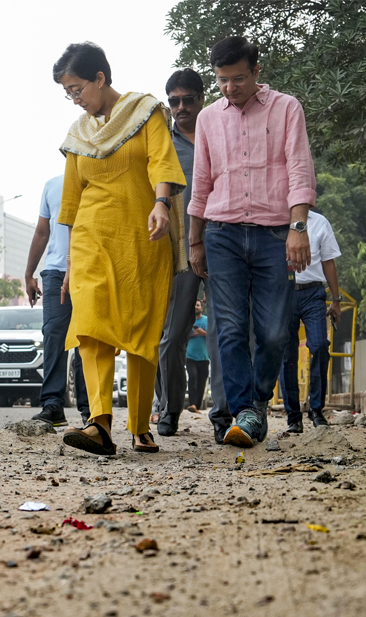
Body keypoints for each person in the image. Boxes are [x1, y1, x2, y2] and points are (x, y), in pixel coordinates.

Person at [53, 42, 188, 456]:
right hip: (92, 237)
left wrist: (162, 205)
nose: (75, 100)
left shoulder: (145, 111)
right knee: (90, 324)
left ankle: (140, 424)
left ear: (100, 78)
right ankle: (100, 423)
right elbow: (73, 200)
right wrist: (72, 264)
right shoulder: (78, 133)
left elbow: (161, 162)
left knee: (141, 329)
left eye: (78, 89)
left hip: (142, 234)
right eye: (67, 94)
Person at [188, 36, 316, 447]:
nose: (230, 88)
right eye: (222, 80)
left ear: (256, 72)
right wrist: (195, 242)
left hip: (275, 234)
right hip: (221, 233)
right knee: (229, 329)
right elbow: (201, 183)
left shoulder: (286, 108)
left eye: (238, 78)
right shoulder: (208, 119)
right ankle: (244, 410)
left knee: (276, 332)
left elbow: (299, 170)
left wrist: (298, 228)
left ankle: (255, 403)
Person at [152, 68, 206, 436]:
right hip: (182, 252)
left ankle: (234, 412)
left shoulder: (220, 132)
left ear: (202, 99)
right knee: (171, 336)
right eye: (174, 101)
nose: (181, 107)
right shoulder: (163, 145)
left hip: (226, 242)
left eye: (188, 99)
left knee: (230, 333)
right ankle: (170, 408)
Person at [24, 175, 90, 427]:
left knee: (86, 338)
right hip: (54, 271)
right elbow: (42, 231)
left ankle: (89, 409)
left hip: (90, 268)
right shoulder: (52, 185)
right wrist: (29, 273)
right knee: (54, 334)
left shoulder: (96, 179)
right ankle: (53, 404)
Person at [279, 209, 342, 432]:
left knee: (320, 346)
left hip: (313, 294)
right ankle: (293, 416)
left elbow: (329, 262)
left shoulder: (320, 222)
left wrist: (335, 299)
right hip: (283, 293)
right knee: (287, 355)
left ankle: (316, 409)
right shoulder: (276, 219)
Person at [186, 301, 209, 412]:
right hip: (189, 356)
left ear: (202, 308)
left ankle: (197, 405)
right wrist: (191, 334)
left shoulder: (206, 320)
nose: (196, 307)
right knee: (193, 378)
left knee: (201, 382)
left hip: (204, 357)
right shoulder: (188, 320)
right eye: (194, 305)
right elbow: (180, 335)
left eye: (198, 305)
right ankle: (193, 404)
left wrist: (203, 332)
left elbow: (214, 335)